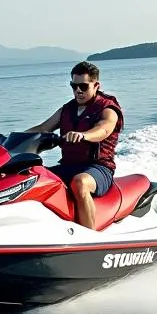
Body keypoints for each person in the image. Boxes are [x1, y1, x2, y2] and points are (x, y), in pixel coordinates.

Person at [24, 60, 124, 230]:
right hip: (68, 166)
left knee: (80, 183)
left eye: (83, 86)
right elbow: (42, 128)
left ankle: (90, 239)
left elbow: (104, 129)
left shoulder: (108, 109)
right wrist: (8, 138)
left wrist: (84, 135)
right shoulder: (67, 109)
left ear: (96, 85)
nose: (78, 90)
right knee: (30, 178)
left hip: (98, 168)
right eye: (74, 86)